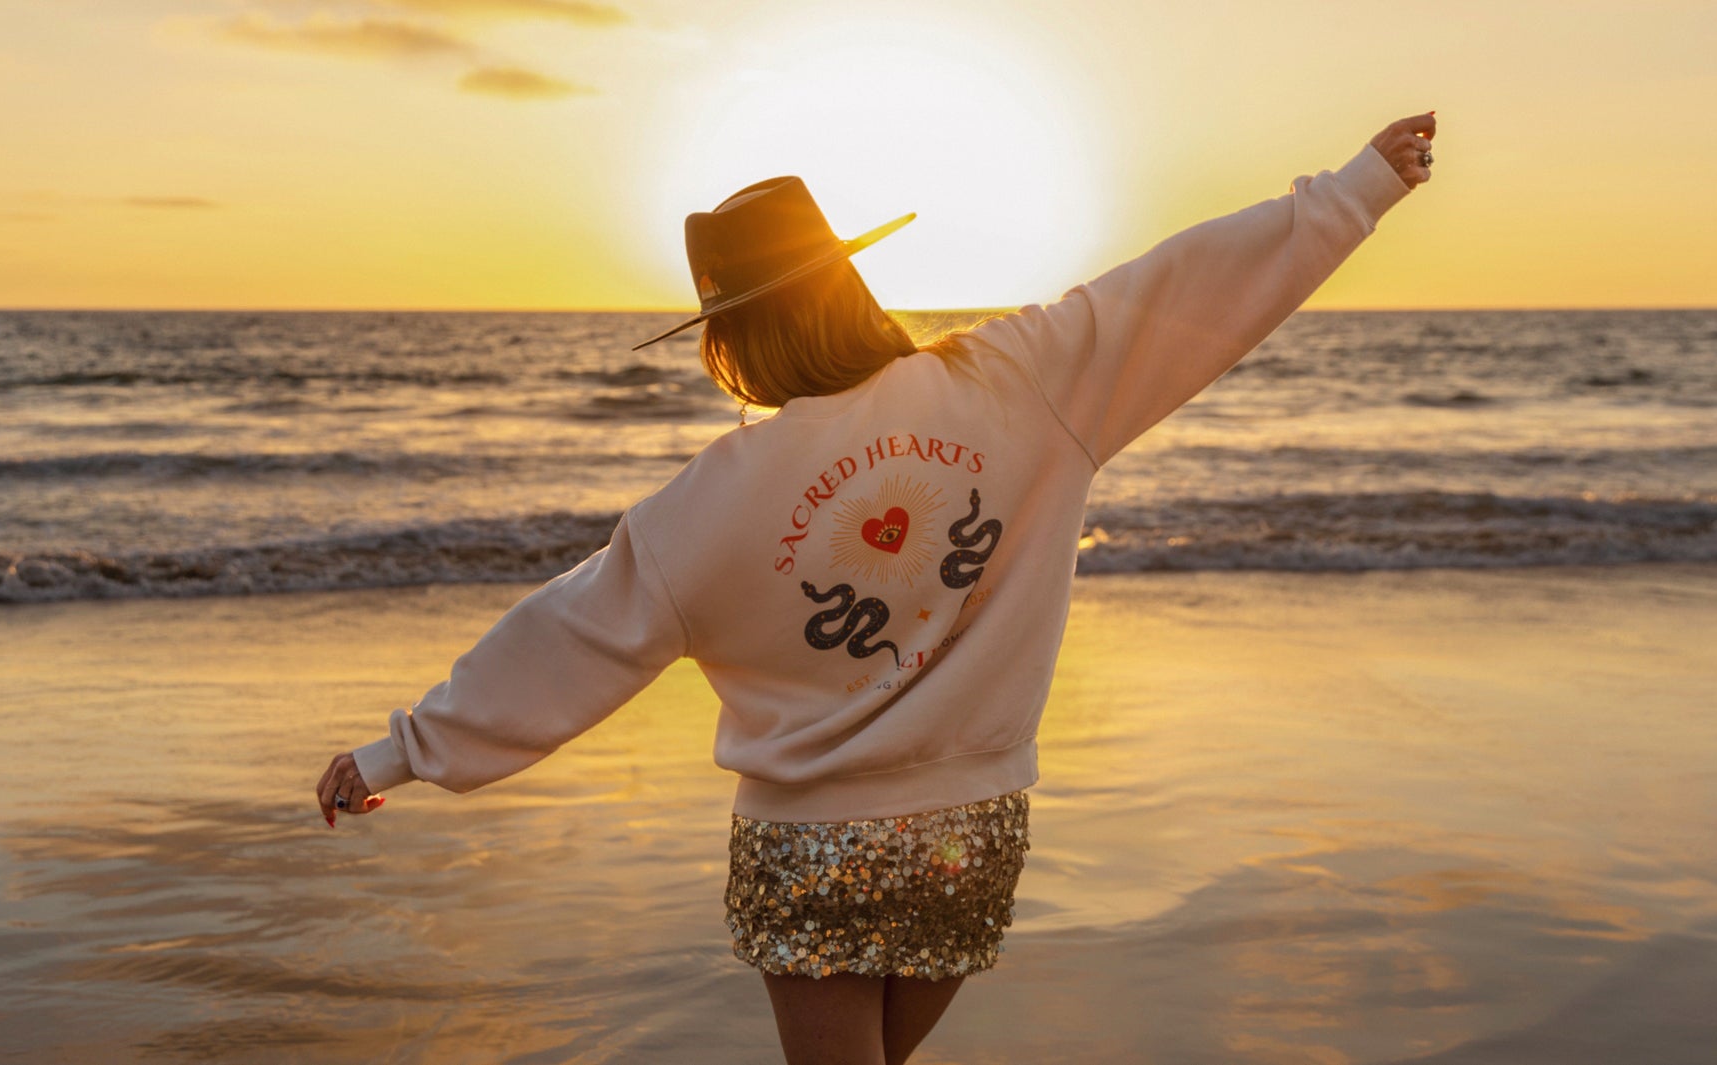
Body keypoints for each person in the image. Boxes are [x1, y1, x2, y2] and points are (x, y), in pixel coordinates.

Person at [316, 112, 1437, 1064]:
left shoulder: (707, 502)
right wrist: (1353, 192)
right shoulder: (1015, 382)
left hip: (808, 847)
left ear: (731, 337)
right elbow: (1174, 293)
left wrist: (403, 751)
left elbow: (573, 637)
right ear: (844, 282)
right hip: (970, 826)